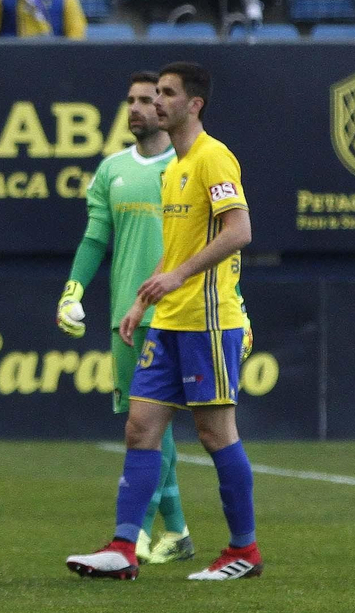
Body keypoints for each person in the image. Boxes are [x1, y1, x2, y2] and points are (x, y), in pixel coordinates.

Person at [67, 62, 262, 583]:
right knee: (140, 428)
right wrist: (139, 301)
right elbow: (176, 249)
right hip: (168, 321)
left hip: (209, 319)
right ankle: (124, 546)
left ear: (194, 104)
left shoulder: (212, 157)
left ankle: (244, 550)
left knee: (214, 433)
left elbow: (238, 231)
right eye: (155, 95)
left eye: (167, 95)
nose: (156, 103)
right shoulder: (174, 168)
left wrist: (177, 278)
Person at [56, 72, 194, 568]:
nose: (137, 107)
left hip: (178, 312)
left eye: (148, 99)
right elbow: (96, 239)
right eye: (130, 100)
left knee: (150, 423)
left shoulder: (188, 165)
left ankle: (132, 534)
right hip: (126, 315)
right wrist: (72, 291)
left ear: (166, 105)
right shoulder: (112, 169)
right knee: (149, 424)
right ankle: (175, 531)